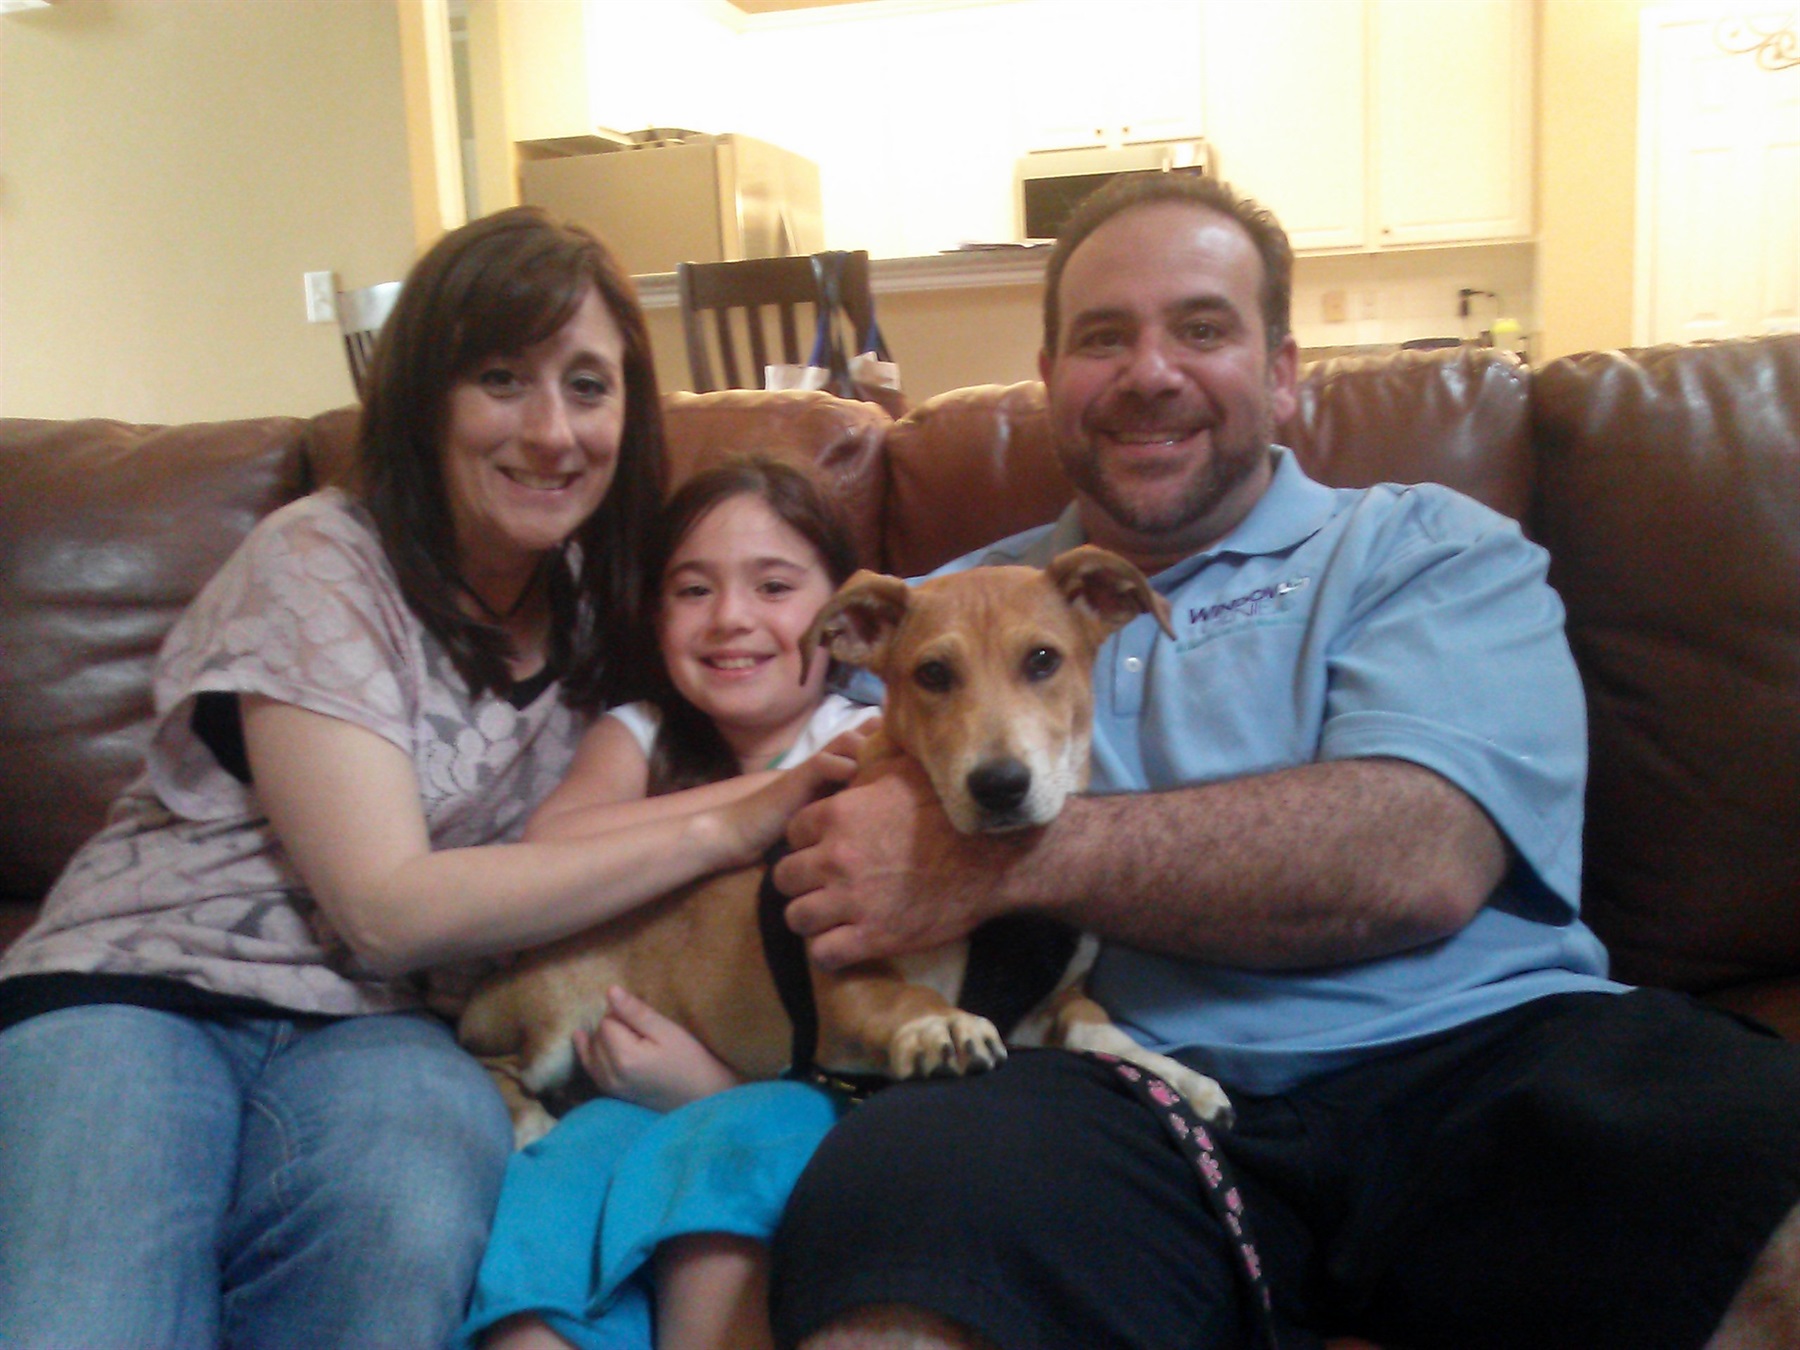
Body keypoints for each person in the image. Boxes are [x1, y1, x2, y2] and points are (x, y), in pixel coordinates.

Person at [766, 174, 1800, 1350]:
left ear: (1284, 373)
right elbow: (784, 774)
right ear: (1050, 381)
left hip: (1480, 1060)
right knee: (892, 1253)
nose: (1151, 371)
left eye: (1202, 328)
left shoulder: (1428, 547)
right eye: (1103, 338)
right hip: (1117, 1095)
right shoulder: (947, 608)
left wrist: (991, 860)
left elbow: (1418, 858)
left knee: (1766, 1196)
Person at [0, 208, 829, 1349]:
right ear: (424, 398)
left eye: (588, 387)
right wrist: (739, 822)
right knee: (89, 1317)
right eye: (501, 379)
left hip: (394, 1030)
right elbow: (384, 908)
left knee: (400, 1242)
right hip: (145, 986)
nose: (552, 431)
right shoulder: (320, 557)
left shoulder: (617, 603)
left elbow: (793, 696)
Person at [459, 456, 877, 1350]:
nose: (731, 617)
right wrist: (781, 792)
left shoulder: (864, 739)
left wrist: (703, 1087)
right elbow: (554, 842)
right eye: (693, 590)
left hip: (785, 1093)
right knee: (545, 1222)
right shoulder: (641, 732)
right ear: (655, 616)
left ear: (844, 618)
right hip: (606, 1088)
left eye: (775, 586)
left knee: (724, 1206)